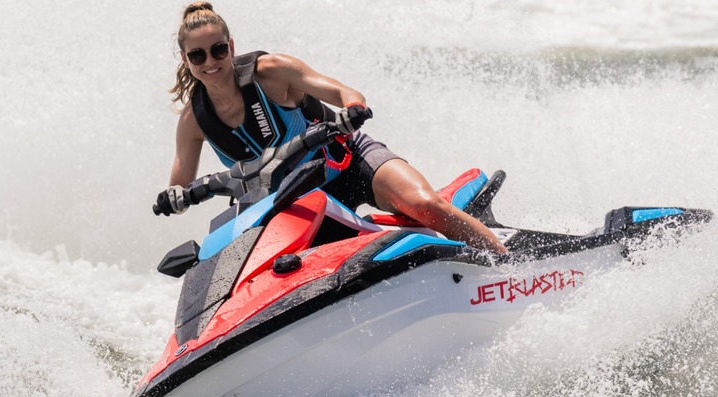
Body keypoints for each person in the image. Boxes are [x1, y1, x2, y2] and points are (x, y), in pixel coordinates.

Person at [156, 2, 508, 255]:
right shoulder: (193, 121)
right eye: (198, 55)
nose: (210, 62)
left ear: (231, 48)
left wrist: (352, 110)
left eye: (218, 50)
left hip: (347, 160)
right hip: (292, 204)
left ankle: (510, 267)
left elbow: (343, 92)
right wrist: (174, 198)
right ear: (185, 60)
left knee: (424, 203)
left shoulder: (271, 72)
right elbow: (180, 188)